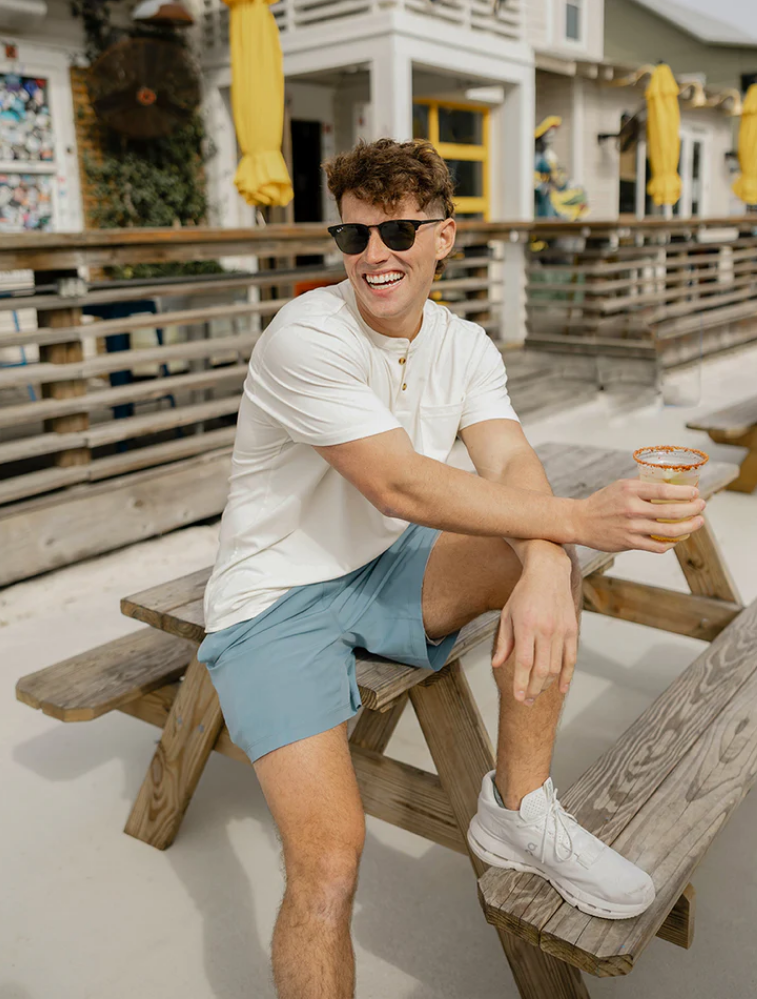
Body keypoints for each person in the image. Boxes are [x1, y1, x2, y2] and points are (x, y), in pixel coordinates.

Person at [198, 138, 707, 999]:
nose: (373, 256)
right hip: (272, 600)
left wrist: (549, 560)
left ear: (444, 236)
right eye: (353, 237)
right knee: (327, 863)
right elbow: (399, 484)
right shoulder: (305, 333)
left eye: (397, 231)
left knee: (544, 558)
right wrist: (577, 523)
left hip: (387, 566)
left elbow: (508, 464)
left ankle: (518, 811)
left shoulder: (465, 345)